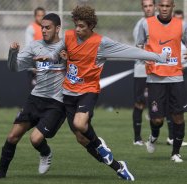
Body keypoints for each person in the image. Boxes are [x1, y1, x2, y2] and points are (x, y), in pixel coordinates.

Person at [39, 5, 168, 181]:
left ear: (91, 25)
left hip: (88, 91)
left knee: (79, 123)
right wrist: (53, 56)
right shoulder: (69, 36)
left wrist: (158, 57)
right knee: (81, 138)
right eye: (76, 25)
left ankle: (100, 145)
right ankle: (118, 166)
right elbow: (57, 50)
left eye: (82, 26)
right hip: (68, 93)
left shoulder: (101, 43)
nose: (77, 29)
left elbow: (129, 51)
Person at [0, 13, 67, 180]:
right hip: (35, 99)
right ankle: (0, 174)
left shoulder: (66, 45)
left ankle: (46, 152)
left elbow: (78, 65)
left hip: (56, 102)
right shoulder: (34, 46)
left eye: (48, 27)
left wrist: (68, 59)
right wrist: (13, 53)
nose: (43, 30)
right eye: (42, 27)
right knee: (12, 136)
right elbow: (14, 67)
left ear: (57, 29)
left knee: (35, 139)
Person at [137, 0, 187, 163]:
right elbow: (139, 45)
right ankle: (153, 136)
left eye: (168, 6)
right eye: (162, 6)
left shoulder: (182, 25)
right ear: (158, 7)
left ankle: (175, 153)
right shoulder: (146, 24)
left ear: (172, 7)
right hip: (155, 78)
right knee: (157, 120)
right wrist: (144, 56)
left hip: (176, 76)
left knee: (178, 116)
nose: (165, 9)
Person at [132, 0, 156, 146]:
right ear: (142, 8)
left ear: (155, 6)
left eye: (150, 5)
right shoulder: (140, 25)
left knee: (158, 103)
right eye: (145, 6)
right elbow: (139, 46)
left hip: (157, 69)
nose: (148, 8)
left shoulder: (160, 23)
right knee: (140, 103)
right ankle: (137, 138)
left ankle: (163, 136)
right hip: (142, 69)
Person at [165, 9, 187, 146]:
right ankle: (172, 136)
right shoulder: (168, 38)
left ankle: (176, 137)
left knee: (180, 108)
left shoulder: (184, 37)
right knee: (175, 107)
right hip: (173, 75)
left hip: (185, 73)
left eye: (181, 19)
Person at [25, 7, 46, 91]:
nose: (41, 17)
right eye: (38, 15)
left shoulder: (49, 28)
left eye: (43, 15)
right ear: (35, 16)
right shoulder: (31, 28)